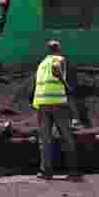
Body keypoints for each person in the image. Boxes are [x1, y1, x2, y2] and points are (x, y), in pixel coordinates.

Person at [34, 40, 82, 182]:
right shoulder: (59, 59)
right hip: (58, 103)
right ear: (59, 49)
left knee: (45, 140)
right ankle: (73, 172)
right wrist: (66, 84)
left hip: (42, 104)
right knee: (67, 137)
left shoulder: (42, 63)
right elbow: (56, 68)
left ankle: (46, 172)